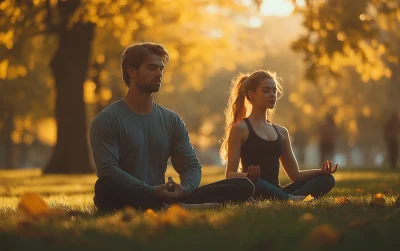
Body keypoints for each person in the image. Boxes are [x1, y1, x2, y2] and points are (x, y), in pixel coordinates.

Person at [90, 42, 254, 212]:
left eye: (161, 68)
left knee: (242, 185)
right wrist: (150, 190)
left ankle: (172, 205)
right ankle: (176, 208)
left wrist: (185, 189)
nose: (159, 73)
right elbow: (108, 169)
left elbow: (191, 166)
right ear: (132, 71)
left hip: (162, 195)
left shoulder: (171, 120)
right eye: (152, 68)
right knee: (105, 186)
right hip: (129, 194)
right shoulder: (107, 119)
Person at [220, 70, 337, 201]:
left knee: (327, 180)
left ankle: (287, 198)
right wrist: (248, 176)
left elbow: (295, 176)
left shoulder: (282, 132)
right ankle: (291, 199)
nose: (272, 95)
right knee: (257, 182)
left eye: (274, 91)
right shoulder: (240, 128)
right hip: (254, 189)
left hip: (276, 192)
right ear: (251, 95)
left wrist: (320, 172)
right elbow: (230, 174)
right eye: (266, 91)